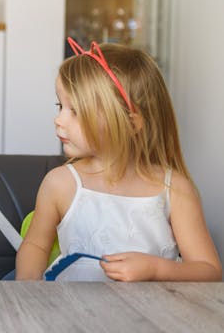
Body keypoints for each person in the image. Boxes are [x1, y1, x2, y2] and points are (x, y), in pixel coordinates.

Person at [16, 38, 221, 281]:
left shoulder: (175, 190)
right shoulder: (59, 183)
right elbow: (36, 247)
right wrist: (27, 287)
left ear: (130, 123)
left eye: (76, 111)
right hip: (70, 314)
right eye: (60, 106)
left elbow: (210, 271)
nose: (58, 119)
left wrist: (156, 270)